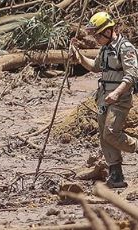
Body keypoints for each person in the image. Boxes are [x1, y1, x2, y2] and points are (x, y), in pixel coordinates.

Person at [71, 12, 138, 188]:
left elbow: (132, 75)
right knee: (103, 134)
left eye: (97, 34)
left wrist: (116, 93)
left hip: (119, 98)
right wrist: (79, 57)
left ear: (108, 31)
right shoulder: (105, 49)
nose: (95, 38)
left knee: (111, 131)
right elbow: (95, 67)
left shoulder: (125, 48)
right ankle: (116, 174)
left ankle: (136, 146)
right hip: (103, 98)